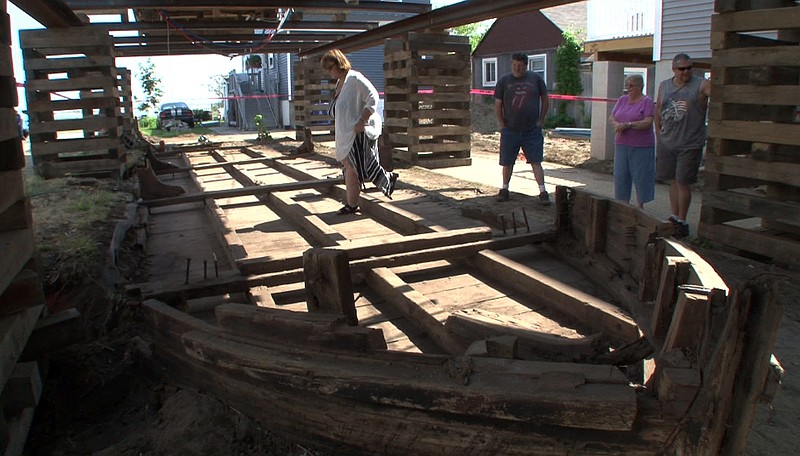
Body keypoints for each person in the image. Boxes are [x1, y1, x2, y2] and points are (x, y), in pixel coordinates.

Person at [321, 49, 397, 215]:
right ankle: (356, 201)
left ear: (339, 64)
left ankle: (354, 202)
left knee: (357, 168)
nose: (330, 72)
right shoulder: (340, 82)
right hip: (345, 135)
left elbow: (373, 97)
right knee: (356, 168)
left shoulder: (354, 78)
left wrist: (362, 120)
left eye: (331, 67)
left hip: (356, 134)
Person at [654, 53, 711, 238]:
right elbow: (658, 110)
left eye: (689, 68)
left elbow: (717, 94)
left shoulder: (701, 84)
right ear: (674, 69)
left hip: (690, 143)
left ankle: (683, 220)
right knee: (672, 180)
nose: (686, 72)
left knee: (683, 181)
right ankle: (674, 216)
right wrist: (658, 133)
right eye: (681, 68)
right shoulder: (665, 85)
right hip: (668, 141)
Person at [494, 53, 550, 205]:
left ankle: (543, 191)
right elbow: (498, 104)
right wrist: (502, 124)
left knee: (536, 161)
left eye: (520, 65)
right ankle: (505, 189)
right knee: (507, 161)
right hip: (510, 129)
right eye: (514, 65)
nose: (517, 68)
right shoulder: (504, 81)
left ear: (526, 65)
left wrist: (541, 120)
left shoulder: (536, 79)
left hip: (532, 129)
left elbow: (545, 100)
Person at [609, 74, 655, 209]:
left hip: (641, 145)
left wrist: (628, 125)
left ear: (640, 86)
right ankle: (622, 205)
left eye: (631, 85)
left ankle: (641, 206)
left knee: (641, 176)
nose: (628, 88)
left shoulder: (647, 101)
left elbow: (648, 122)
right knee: (621, 175)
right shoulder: (622, 100)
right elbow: (612, 116)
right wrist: (616, 124)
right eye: (626, 85)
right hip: (622, 143)